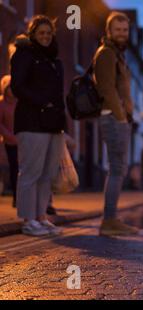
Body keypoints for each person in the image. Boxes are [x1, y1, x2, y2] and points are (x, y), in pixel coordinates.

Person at [10, 15, 66, 236]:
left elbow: (59, 96)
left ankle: (41, 217)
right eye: (41, 33)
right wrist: (43, 102)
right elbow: (17, 87)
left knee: (47, 174)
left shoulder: (55, 61)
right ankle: (28, 220)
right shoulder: (24, 55)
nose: (45, 37)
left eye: (49, 33)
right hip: (31, 122)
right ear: (33, 34)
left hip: (53, 124)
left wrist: (64, 125)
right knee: (30, 172)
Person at [93, 11, 138, 236]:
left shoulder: (118, 55)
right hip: (112, 118)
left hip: (118, 117)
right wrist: (121, 117)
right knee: (117, 168)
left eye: (125, 30)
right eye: (118, 30)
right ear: (109, 31)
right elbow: (107, 89)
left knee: (119, 168)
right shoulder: (107, 54)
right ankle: (109, 220)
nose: (122, 34)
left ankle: (111, 219)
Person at [0, 75, 18, 208]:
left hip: (23, 141)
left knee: (23, 170)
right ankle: (16, 197)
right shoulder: (1, 103)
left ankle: (21, 197)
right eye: (9, 88)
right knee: (14, 168)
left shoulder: (19, 103)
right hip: (9, 142)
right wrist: (9, 136)